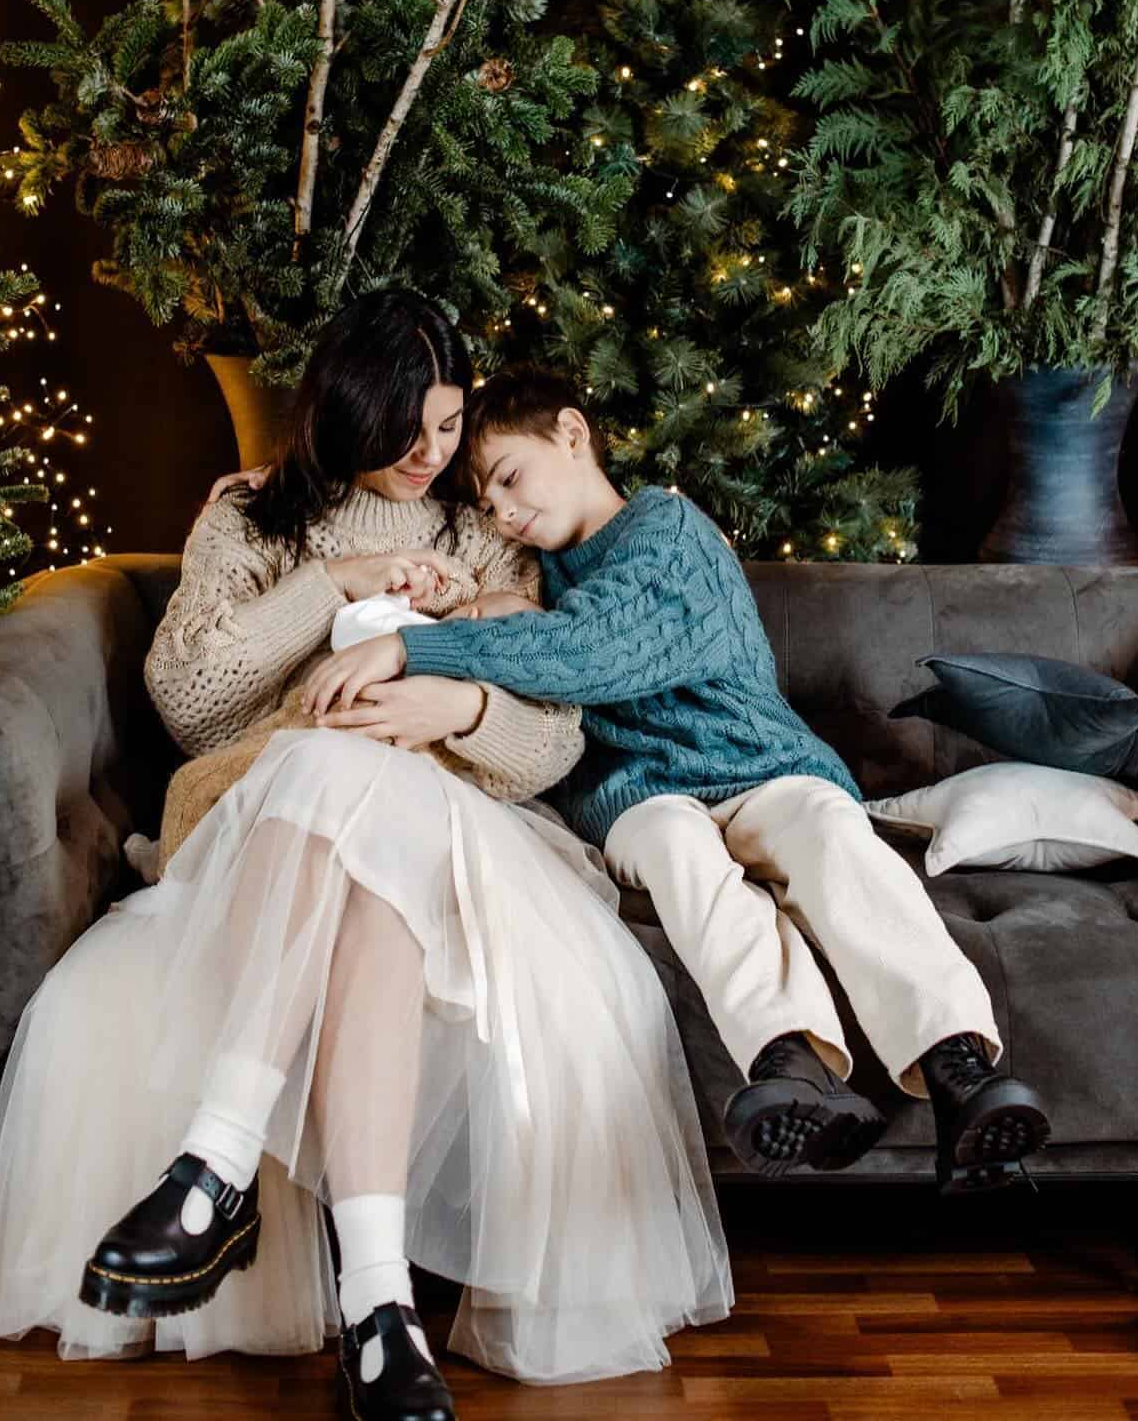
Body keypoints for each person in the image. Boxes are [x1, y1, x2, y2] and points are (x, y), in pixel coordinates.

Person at [0, 296, 731, 1419]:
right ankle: (380, 1310)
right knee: (328, 782)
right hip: (261, 824)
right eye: (406, 427)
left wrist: (455, 704)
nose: (433, 455)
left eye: (453, 426)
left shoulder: (481, 535)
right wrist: (332, 590)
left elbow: (551, 741)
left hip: (457, 828)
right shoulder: (254, 524)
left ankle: (213, 1172)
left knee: (356, 789)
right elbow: (192, 707)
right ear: (342, 411)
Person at [303, 365, 1054, 1197]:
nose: (503, 511)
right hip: (636, 796)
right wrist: (280, 479)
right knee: (678, 859)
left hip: (761, 769)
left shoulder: (669, 531)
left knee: (834, 840)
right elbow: (400, 519)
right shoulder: (525, 575)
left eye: (511, 478)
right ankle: (790, 1064)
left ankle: (962, 1072)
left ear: (574, 434)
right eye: (487, 503)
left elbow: (588, 651)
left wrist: (419, 649)